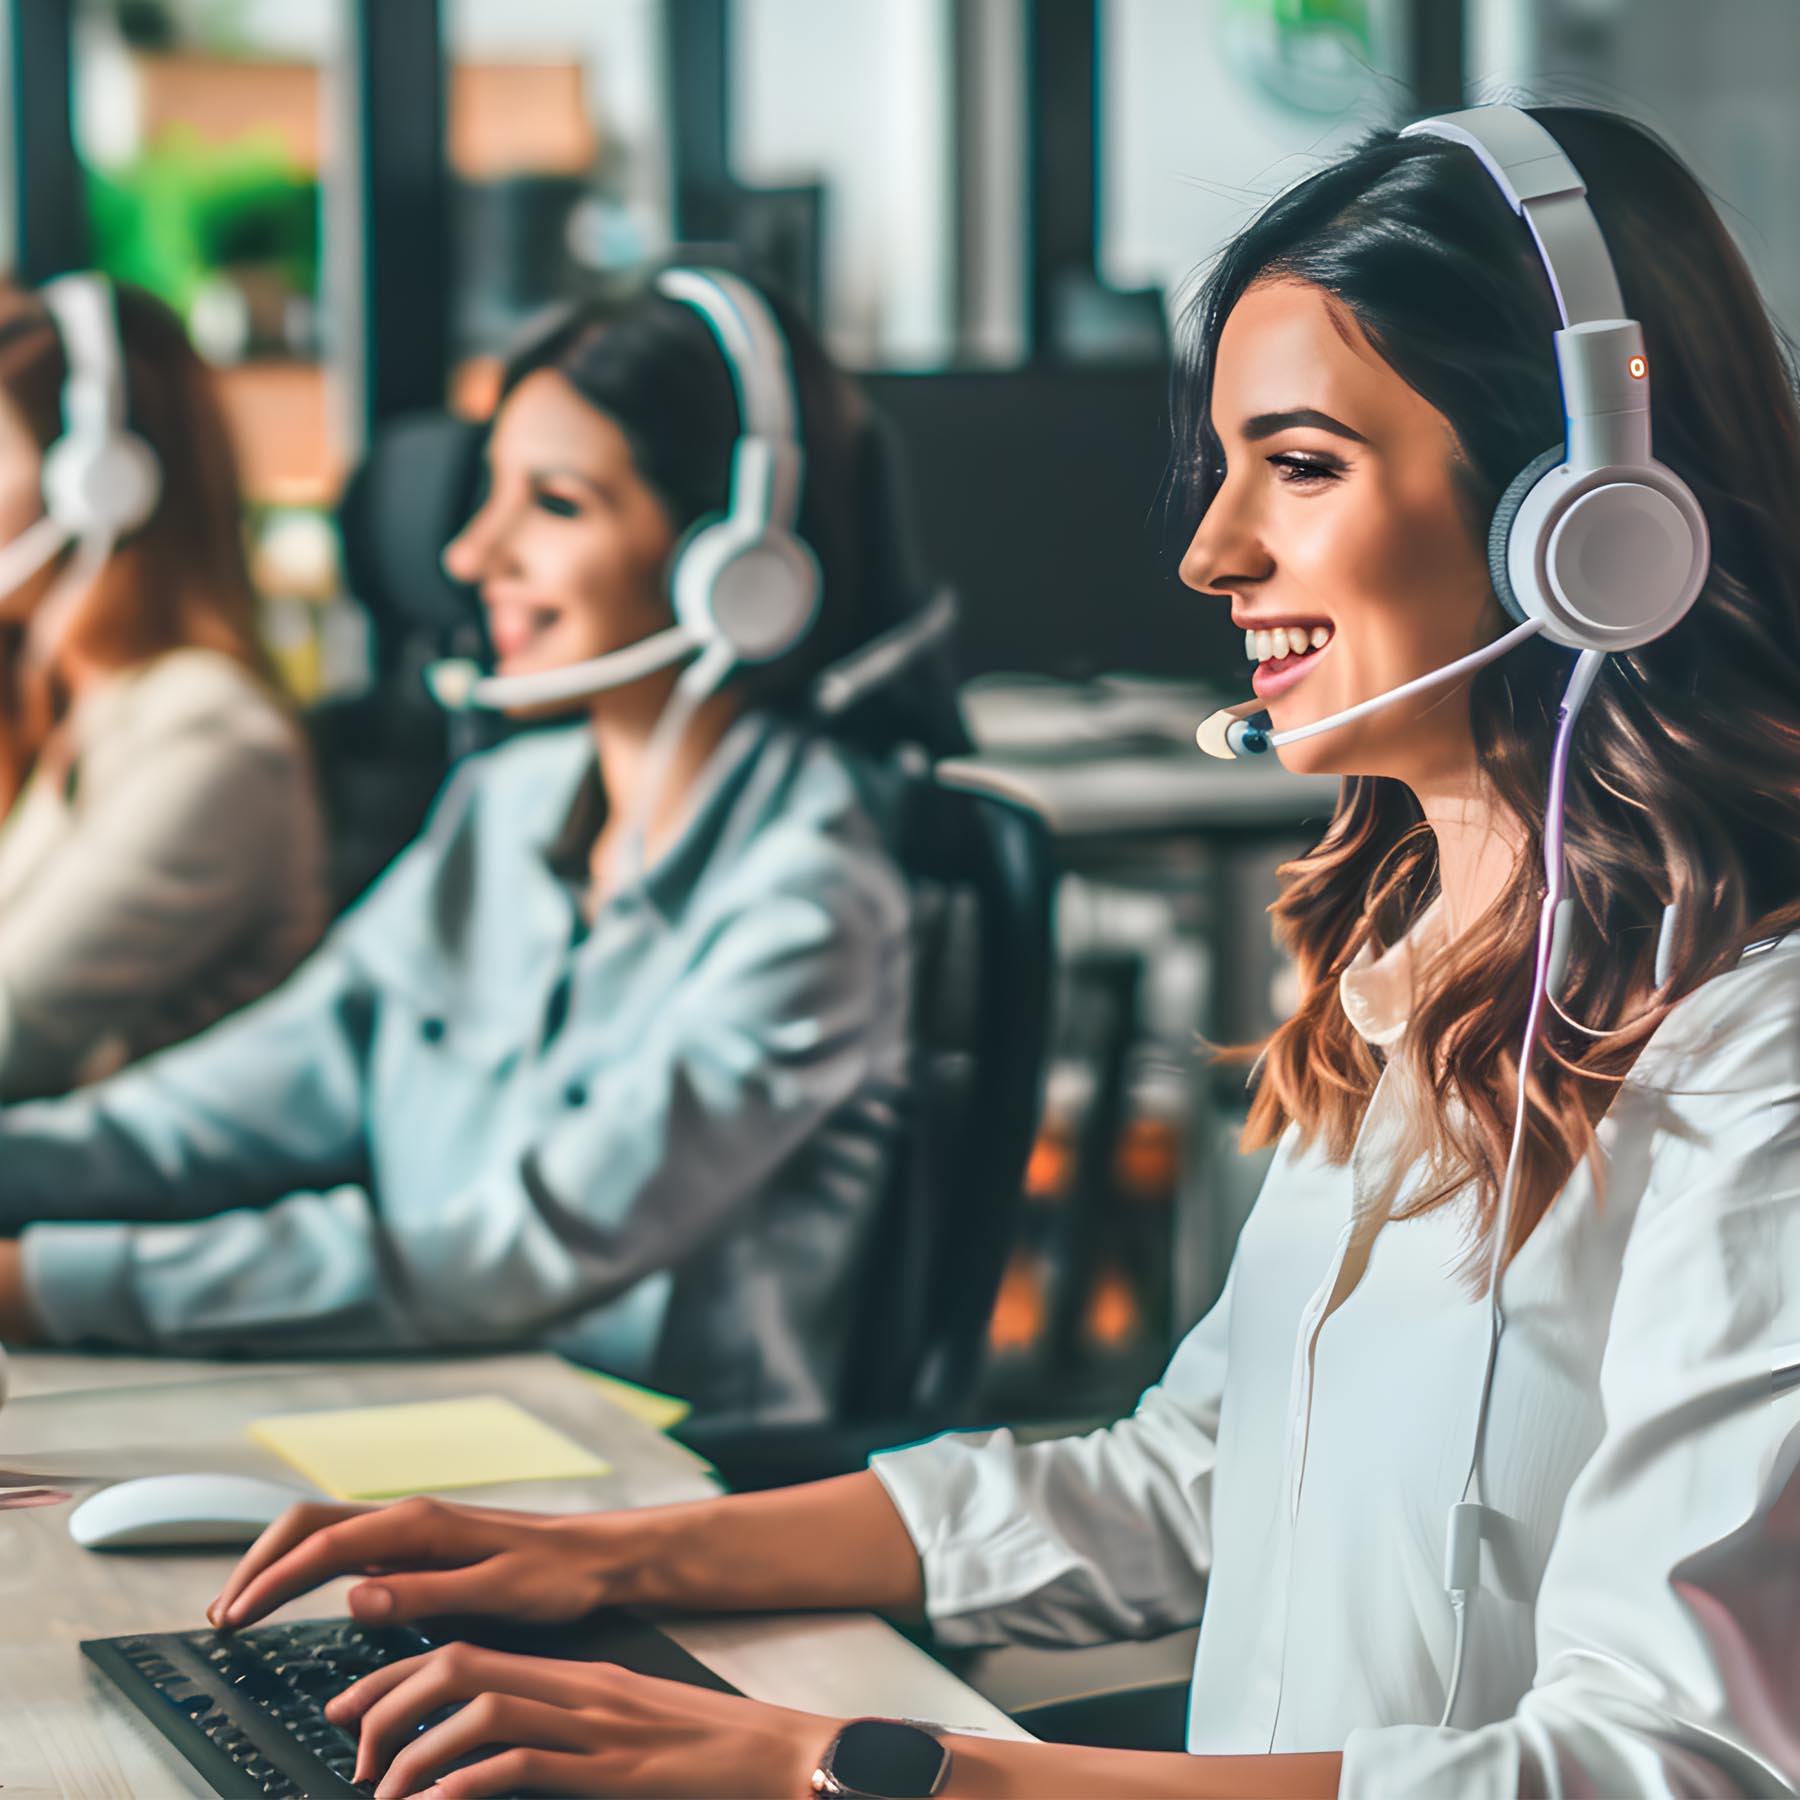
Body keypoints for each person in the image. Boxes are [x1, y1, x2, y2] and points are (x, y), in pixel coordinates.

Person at [204, 105, 1800, 1799]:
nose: (1212, 553)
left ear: (1597, 517)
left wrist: (856, 1768)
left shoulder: (1756, 1062)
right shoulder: (1421, 957)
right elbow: (1196, 1474)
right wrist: (613, 1560)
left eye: (1306, 464)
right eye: (1227, 468)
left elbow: (1673, 1762)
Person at [0, 268, 953, 1424]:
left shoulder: (810, 894)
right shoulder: (501, 810)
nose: (470, 555)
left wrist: (44, 1284)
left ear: (737, 565)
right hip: (424, 1410)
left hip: (662, 1486)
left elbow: (514, 1255)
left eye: (553, 505)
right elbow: (208, 1115)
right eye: (490, 491)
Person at [0, 275, 323, 1101]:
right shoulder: (68, 714)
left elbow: (15, 1030)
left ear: (100, 485)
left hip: (107, 1212)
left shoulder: (212, 741)